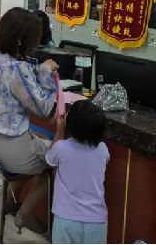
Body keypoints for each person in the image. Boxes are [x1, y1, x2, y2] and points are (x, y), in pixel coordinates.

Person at [0, 7, 59, 235]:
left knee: (40, 139)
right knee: (58, 157)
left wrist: (36, 70)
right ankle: (26, 213)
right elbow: (44, 107)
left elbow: (15, 78)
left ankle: (10, 200)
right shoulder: (19, 70)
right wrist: (46, 75)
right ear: (22, 41)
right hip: (7, 149)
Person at [47, 100, 109, 245]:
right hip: (96, 220)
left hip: (66, 218)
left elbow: (50, 160)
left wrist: (59, 132)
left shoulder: (61, 148)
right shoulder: (103, 149)